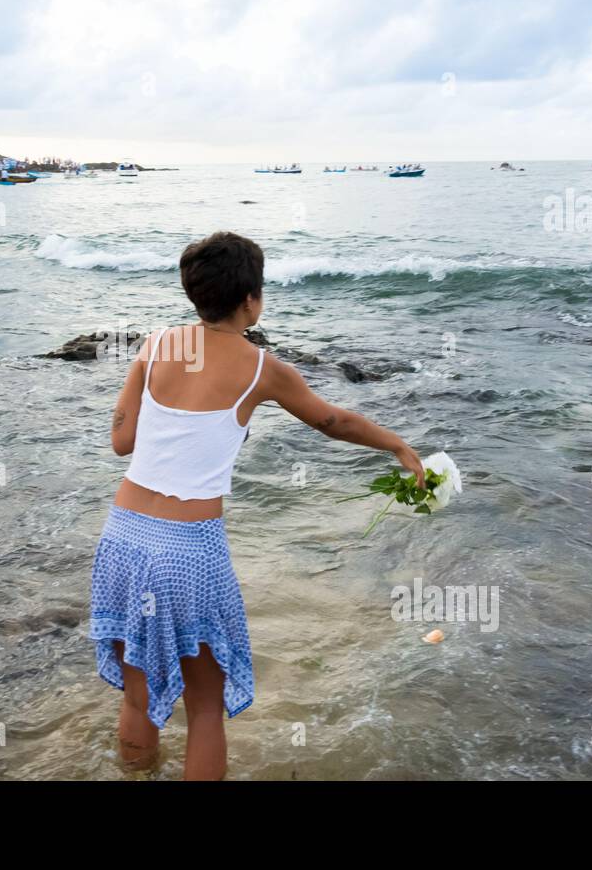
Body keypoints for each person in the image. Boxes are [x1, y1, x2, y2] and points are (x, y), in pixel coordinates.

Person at [91, 231, 425, 780]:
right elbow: (332, 421)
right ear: (252, 299)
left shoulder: (157, 346)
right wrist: (398, 445)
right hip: (185, 550)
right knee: (204, 709)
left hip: (123, 534)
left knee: (137, 690)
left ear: (193, 292)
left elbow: (122, 442)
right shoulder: (262, 368)